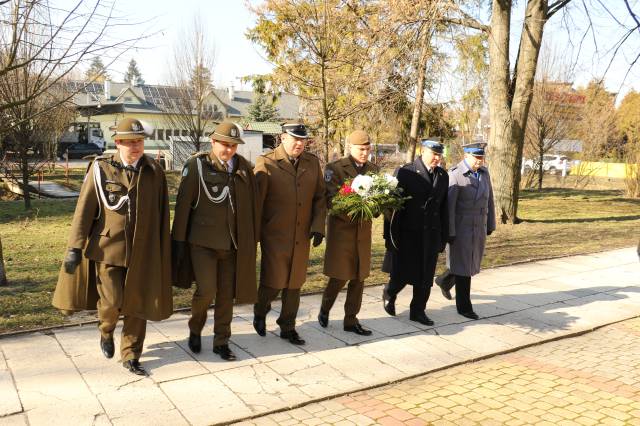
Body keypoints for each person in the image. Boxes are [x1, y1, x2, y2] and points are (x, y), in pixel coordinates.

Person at [52, 118, 172, 376]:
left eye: (139, 141)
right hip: (109, 248)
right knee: (112, 303)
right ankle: (106, 330)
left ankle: (131, 354)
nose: (135, 147)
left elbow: (162, 215)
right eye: (129, 142)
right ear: (117, 143)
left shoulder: (154, 171)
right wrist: (75, 247)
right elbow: (84, 211)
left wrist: (164, 249)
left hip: (144, 250)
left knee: (138, 304)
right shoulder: (101, 169)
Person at [171, 121, 259, 361]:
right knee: (207, 291)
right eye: (224, 144)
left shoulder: (243, 168)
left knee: (226, 295)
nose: (229, 150)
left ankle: (222, 341)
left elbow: (252, 206)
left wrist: (253, 240)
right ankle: (195, 329)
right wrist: (177, 243)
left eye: (233, 146)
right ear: (213, 142)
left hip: (232, 244)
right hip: (203, 243)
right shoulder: (197, 166)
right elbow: (183, 207)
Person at [252, 123, 326, 345]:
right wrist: (254, 236)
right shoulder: (266, 162)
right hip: (275, 234)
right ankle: (260, 311)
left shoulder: (312, 163)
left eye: (303, 140)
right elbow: (256, 203)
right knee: (274, 281)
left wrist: (318, 226)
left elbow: (320, 197)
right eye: (295, 139)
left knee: (295, 283)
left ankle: (288, 327)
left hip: (301, 234)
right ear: (282, 138)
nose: (299, 143)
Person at [318, 130, 379, 336]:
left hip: (363, 233)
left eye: (367, 149)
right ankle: (325, 308)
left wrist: (377, 206)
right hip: (342, 233)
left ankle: (351, 320)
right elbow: (332, 200)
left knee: (359, 278)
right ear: (350, 147)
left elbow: (379, 199)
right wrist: (357, 209)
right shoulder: (334, 169)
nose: (365, 153)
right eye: (361, 149)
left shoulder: (373, 169)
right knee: (339, 276)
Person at [381, 139, 449, 325]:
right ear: (422, 151)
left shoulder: (443, 175)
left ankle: (418, 310)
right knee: (402, 273)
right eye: (433, 154)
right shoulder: (405, 172)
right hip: (408, 233)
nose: (437, 158)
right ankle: (390, 292)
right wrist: (390, 236)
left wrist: (444, 236)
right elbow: (392, 209)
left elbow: (444, 208)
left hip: (431, 234)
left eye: (439, 155)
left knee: (426, 275)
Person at [435, 142, 496, 320]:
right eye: (476, 157)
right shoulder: (455, 175)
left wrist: (490, 223)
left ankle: (444, 280)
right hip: (460, 227)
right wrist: (450, 231)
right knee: (464, 268)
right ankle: (464, 307)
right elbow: (449, 208)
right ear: (466, 156)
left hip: (478, 225)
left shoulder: (484, 174)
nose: (479, 161)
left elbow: (489, 200)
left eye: (481, 157)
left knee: (469, 263)